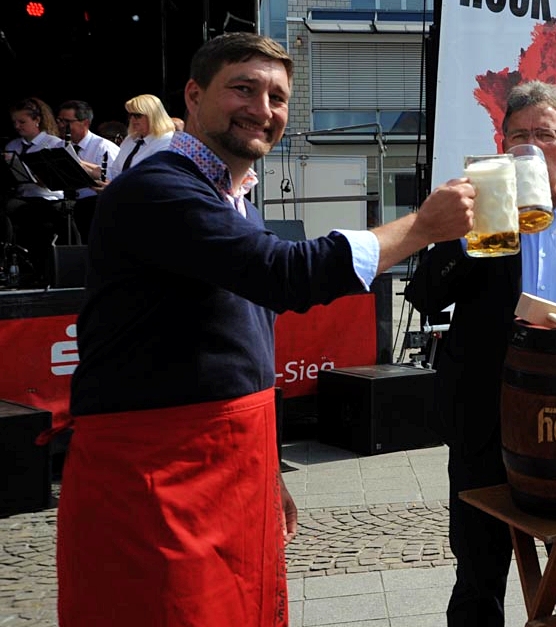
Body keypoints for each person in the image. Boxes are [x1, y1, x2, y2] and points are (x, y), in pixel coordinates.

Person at [56, 33, 474, 627]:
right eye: (243, 89)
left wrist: (266, 468)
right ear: (194, 96)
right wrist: (421, 226)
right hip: (153, 473)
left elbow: (244, 344)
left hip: (230, 462)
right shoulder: (158, 188)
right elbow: (283, 273)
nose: (263, 108)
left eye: (277, 97)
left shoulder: (234, 199)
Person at [405, 80, 556, 627]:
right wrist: (455, 230)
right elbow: (425, 297)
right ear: (503, 144)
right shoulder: (479, 213)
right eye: (520, 135)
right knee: (478, 569)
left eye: (545, 133)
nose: (533, 146)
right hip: (485, 415)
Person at [4, 97, 65, 281]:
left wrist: (31, 174)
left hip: (47, 197)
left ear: (37, 120)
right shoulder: (13, 145)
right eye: (14, 122)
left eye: (22, 122)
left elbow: (57, 180)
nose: (17, 126)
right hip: (21, 196)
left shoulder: (54, 143)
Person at [57, 100, 119, 243]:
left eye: (67, 122)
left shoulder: (104, 147)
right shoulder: (60, 145)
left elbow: (111, 180)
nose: (61, 126)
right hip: (67, 203)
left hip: (92, 205)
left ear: (84, 123)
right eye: (59, 120)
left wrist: (79, 166)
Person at [106, 93, 174, 180]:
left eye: (137, 115)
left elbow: (155, 179)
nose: (132, 119)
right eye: (130, 115)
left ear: (152, 116)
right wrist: (88, 169)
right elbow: (115, 172)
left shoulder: (167, 142)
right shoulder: (130, 140)